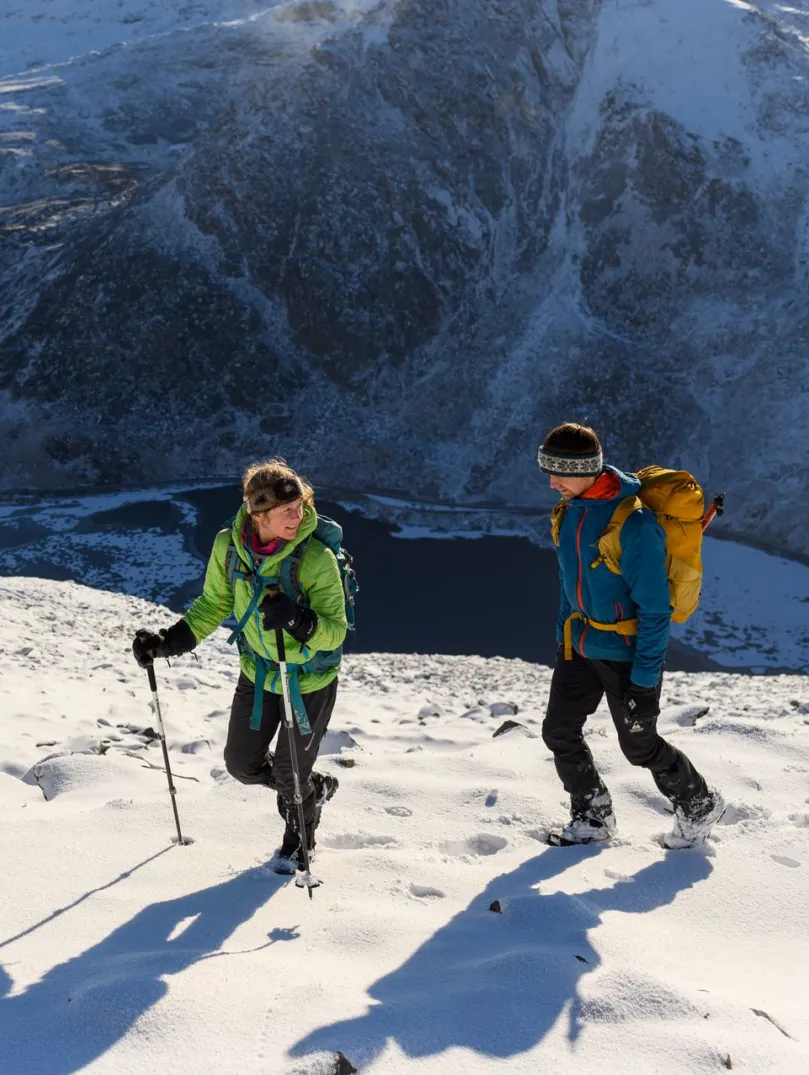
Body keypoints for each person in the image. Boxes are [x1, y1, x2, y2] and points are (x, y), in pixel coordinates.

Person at [132, 459, 347, 872]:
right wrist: (169, 642)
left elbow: (335, 631)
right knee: (241, 765)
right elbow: (214, 604)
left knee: (289, 774)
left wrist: (298, 620)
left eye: (301, 506)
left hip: (309, 681)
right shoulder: (228, 548)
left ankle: (300, 840)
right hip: (260, 673)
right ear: (257, 513)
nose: (298, 516)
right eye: (287, 511)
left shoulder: (315, 558)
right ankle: (311, 787)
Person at [537, 423, 724, 847]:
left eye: (559, 470)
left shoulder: (634, 524)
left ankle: (699, 802)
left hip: (625, 652)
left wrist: (644, 682)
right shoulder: (569, 513)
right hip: (580, 645)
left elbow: (656, 611)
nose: (551, 481)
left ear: (586, 468)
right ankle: (592, 815)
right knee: (559, 731)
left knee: (639, 746)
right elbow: (569, 583)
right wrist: (563, 644)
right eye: (545, 467)